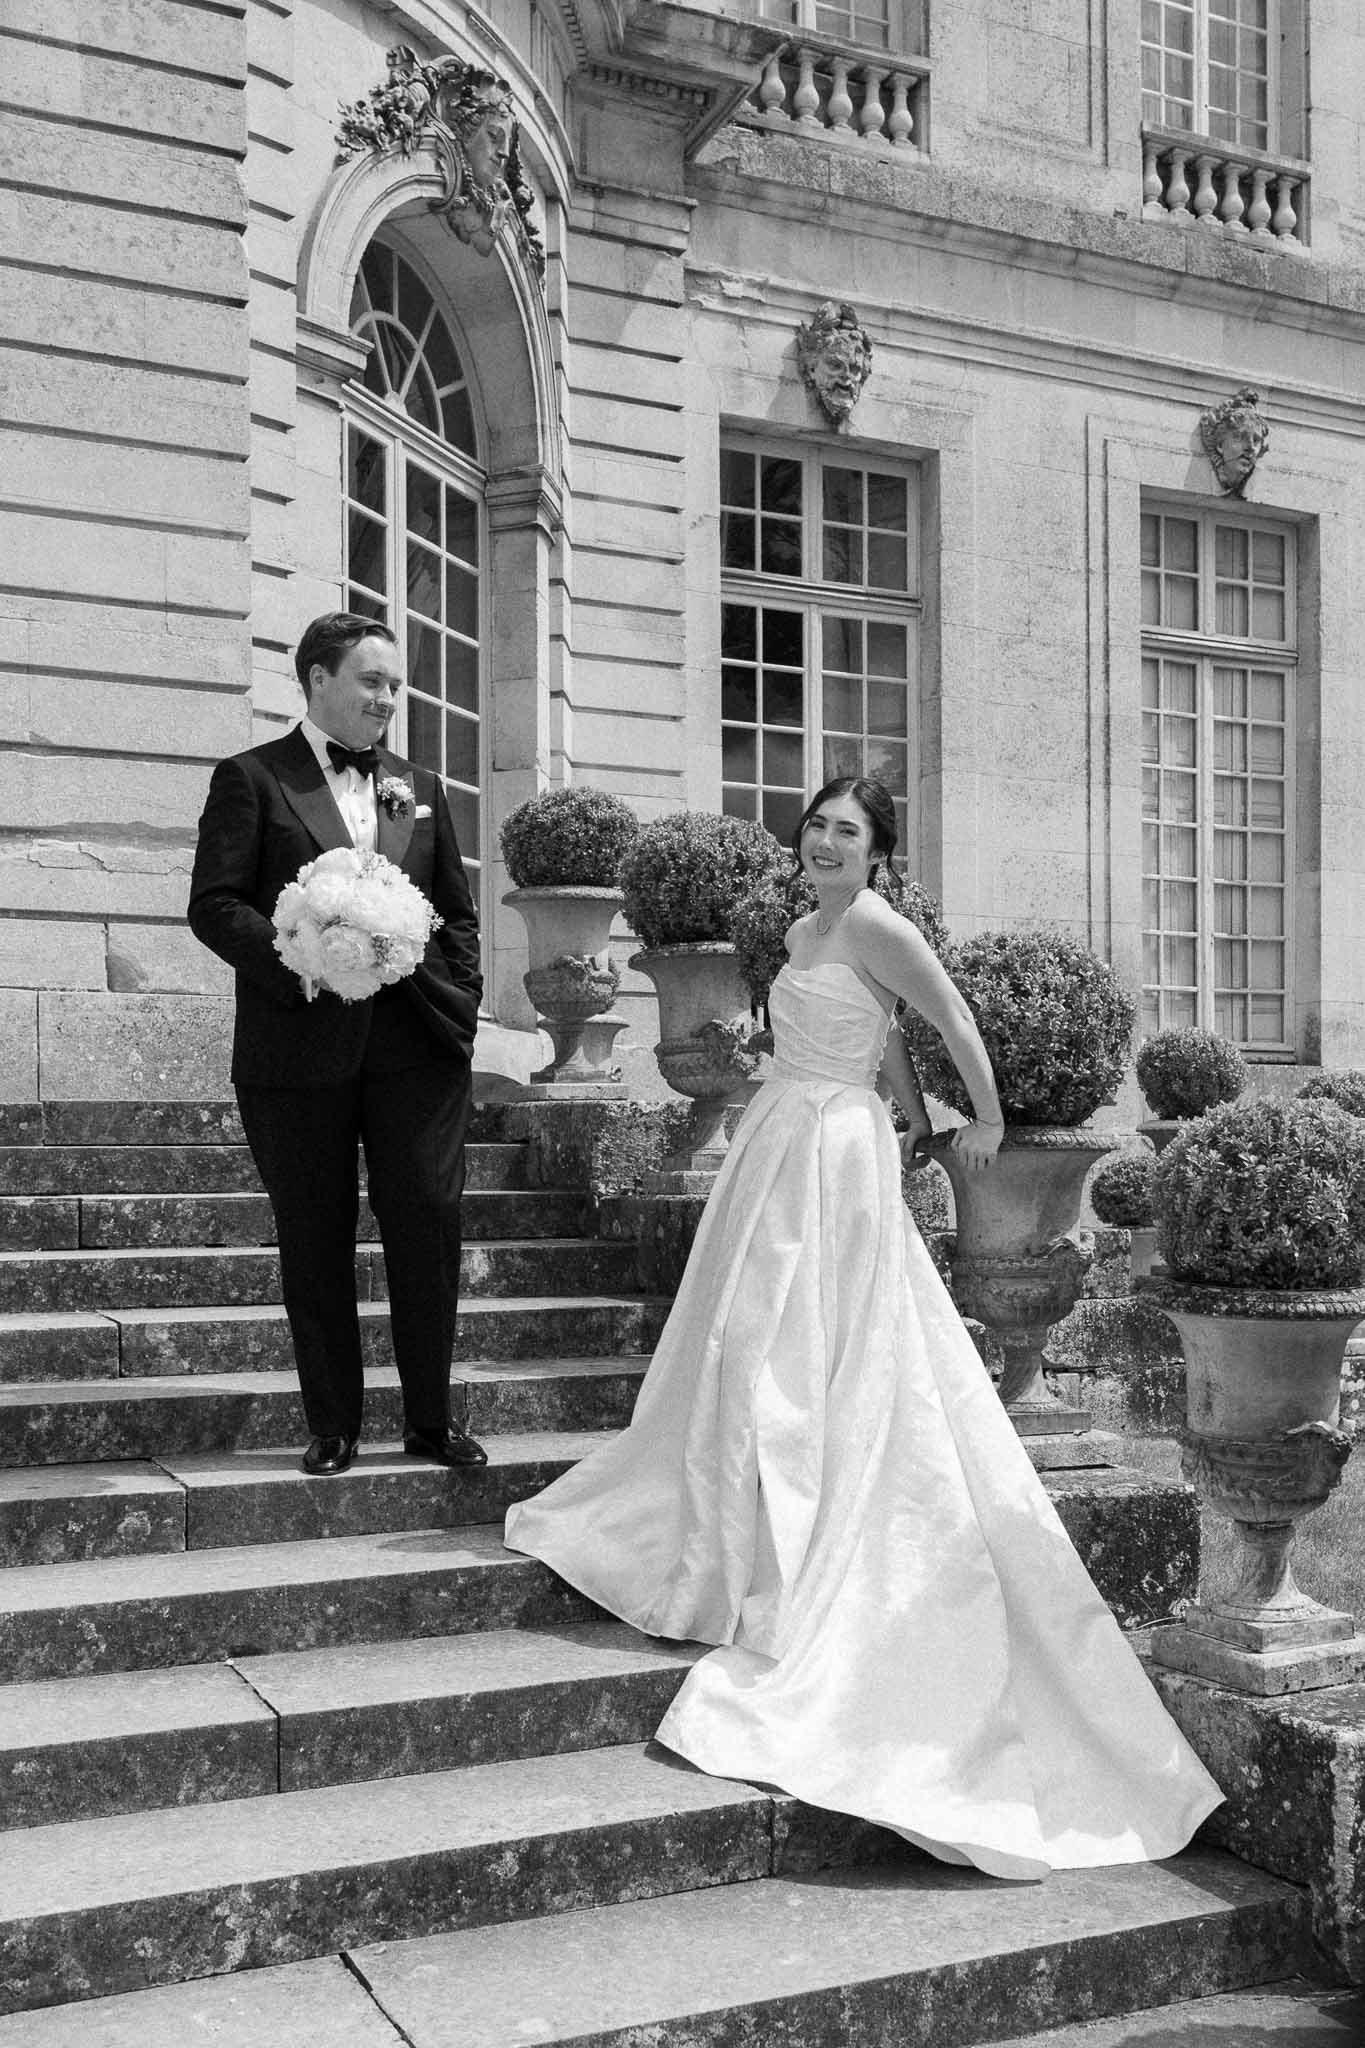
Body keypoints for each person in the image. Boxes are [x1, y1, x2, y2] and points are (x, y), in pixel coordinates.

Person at [505, 775, 1222, 1879]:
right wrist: (910, 1104)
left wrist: (977, 1115)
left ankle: (814, 1502)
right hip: (780, 1132)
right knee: (749, 1335)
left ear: (878, 853)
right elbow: (882, 1035)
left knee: (818, 1332)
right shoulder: (801, 926)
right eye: (818, 827)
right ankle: (741, 1507)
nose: (826, 841)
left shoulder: (879, 922)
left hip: (836, 1146)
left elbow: (948, 1016)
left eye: (849, 831)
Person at [188, 613, 486, 1477]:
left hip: (418, 1047)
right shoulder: (250, 778)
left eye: (394, 685)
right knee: (314, 1235)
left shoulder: (417, 785)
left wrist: (460, 1003)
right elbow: (214, 904)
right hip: (297, 1047)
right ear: (317, 679)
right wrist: (300, 958)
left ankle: (430, 1421)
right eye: (371, 681)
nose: (388, 699)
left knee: (427, 1226)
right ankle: (333, 1426)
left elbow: (455, 913)